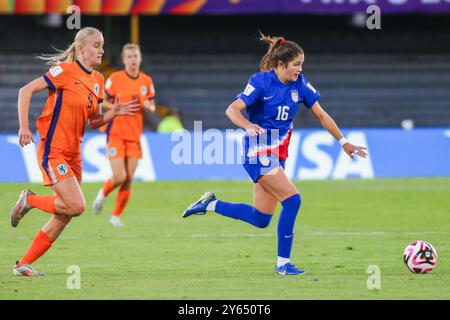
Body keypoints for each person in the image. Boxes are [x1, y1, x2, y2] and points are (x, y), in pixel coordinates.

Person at [182, 34, 367, 275]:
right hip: (257, 152)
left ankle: (210, 204)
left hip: (277, 155)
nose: (300, 69)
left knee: (261, 219)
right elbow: (232, 109)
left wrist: (344, 142)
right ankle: (283, 265)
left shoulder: (299, 85)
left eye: (301, 64)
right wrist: (247, 125)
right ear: (281, 65)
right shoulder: (260, 82)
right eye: (296, 64)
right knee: (293, 200)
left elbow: (321, 114)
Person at [10, 27, 139, 276]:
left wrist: (112, 114)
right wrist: (24, 127)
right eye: (96, 45)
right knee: (76, 206)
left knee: (66, 212)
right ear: (81, 48)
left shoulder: (98, 80)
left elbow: (94, 122)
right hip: (53, 148)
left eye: (102, 45)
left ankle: (23, 264)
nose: (101, 50)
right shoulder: (64, 72)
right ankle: (30, 200)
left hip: (74, 152)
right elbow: (24, 91)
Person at [92, 43, 156, 227]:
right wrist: (116, 108)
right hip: (116, 133)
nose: (132, 59)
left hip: (135, 136)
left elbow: (151, 104)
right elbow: (101, 101)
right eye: (129, 57)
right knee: (119, 177)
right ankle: (101, 195)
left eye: (135, 56)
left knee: (128, 179)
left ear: (140, 58)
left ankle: (115, 217)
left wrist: (148, 106)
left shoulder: (146, 81)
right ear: (123, 60)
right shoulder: (115, 78)